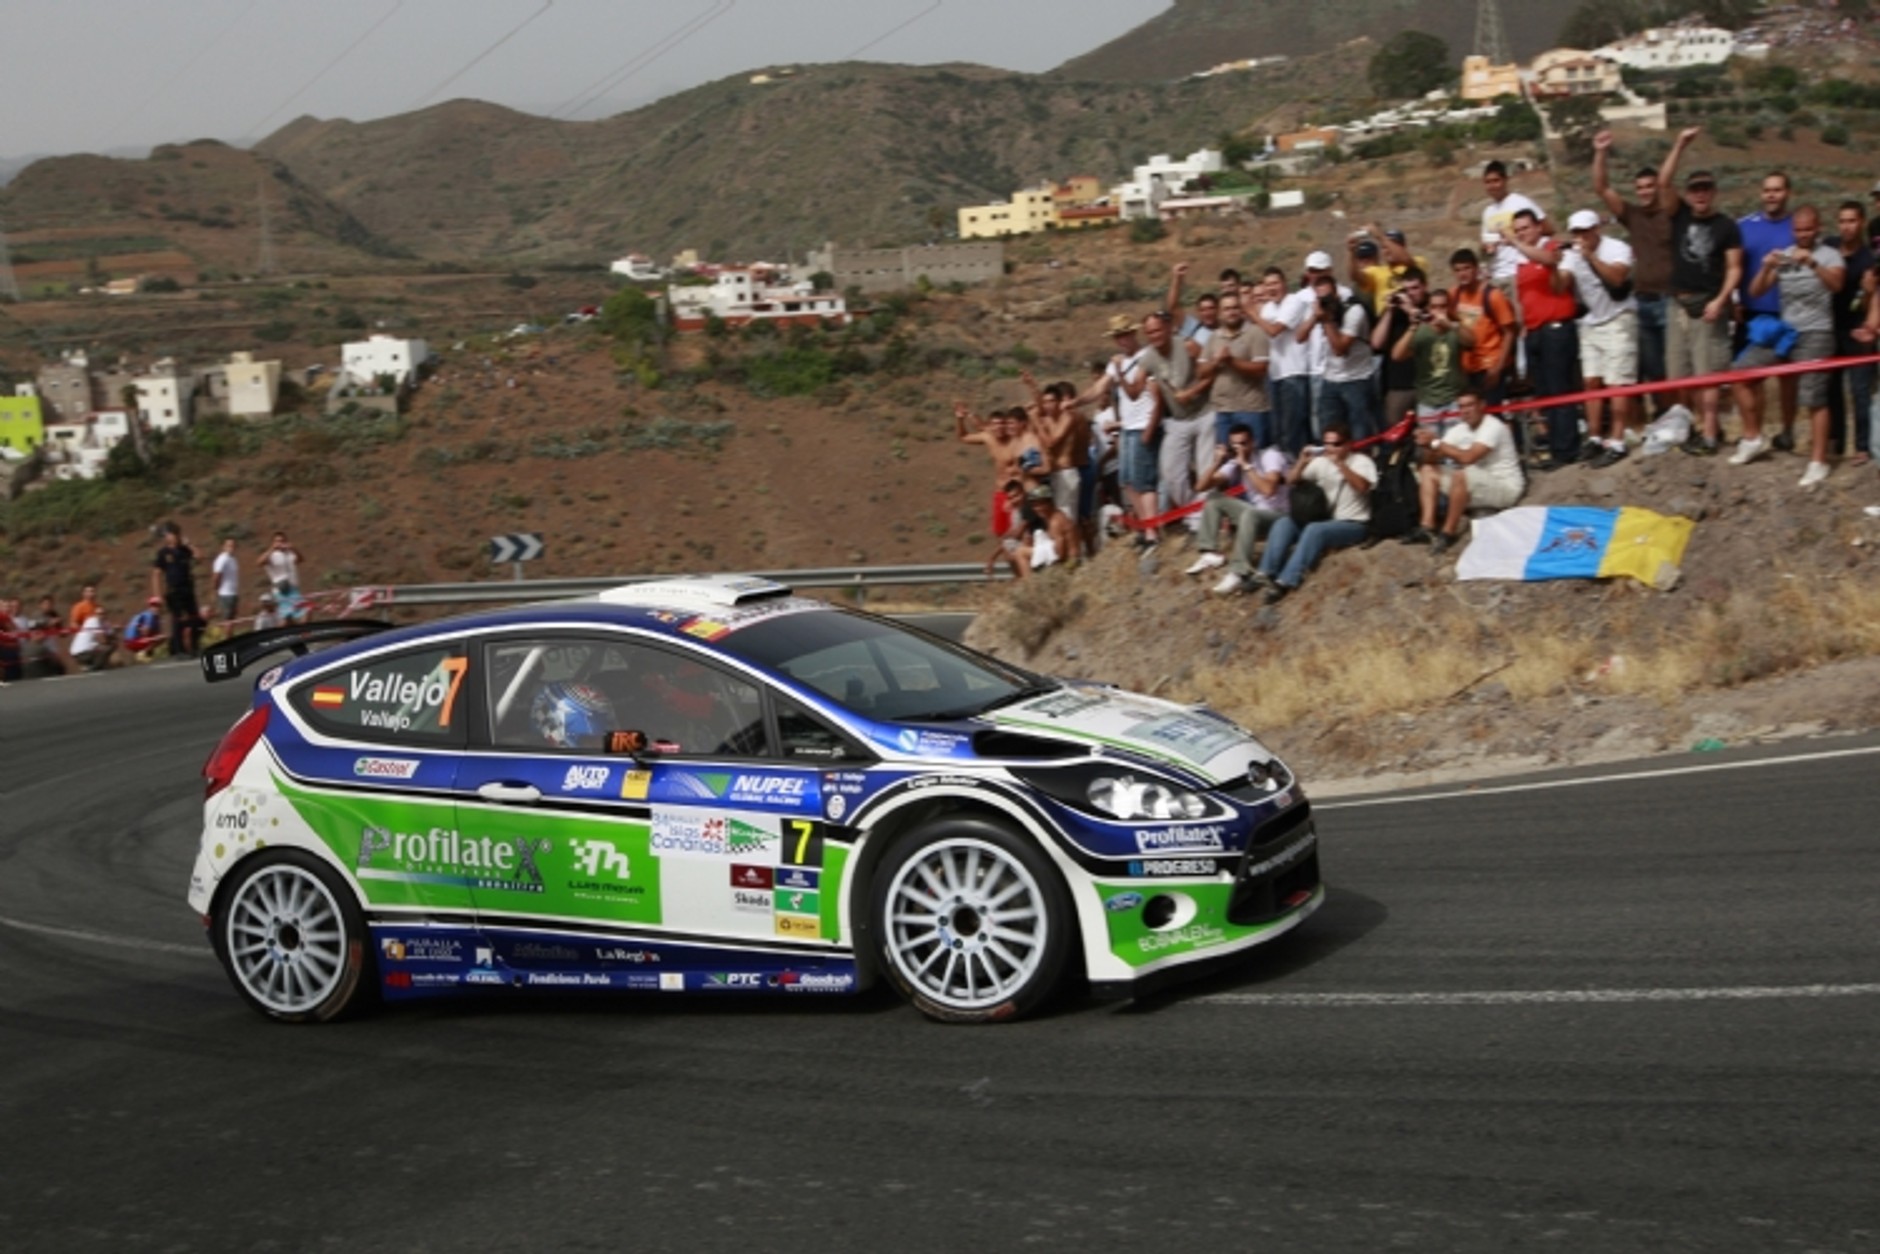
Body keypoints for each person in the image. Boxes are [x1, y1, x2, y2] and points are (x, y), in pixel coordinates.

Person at [1733, 205, 1843, 486]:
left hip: (1816, 332)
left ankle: (1818, 461)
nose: (1802, 235)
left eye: (1808, 229)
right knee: (1740, 373)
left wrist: (1813, 264)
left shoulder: (1829, 254)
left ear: (1818, 228)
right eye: (1798, 230)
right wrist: (1767, 266)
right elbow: (1756, 291)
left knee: (1814, 397)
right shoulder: (1786, 254)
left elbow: (1837, 285)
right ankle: (1753, 437)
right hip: (1786, 330)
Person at [1657, 129, 1743, 456]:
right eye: (1695, 189)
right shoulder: (1679, 214)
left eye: (1706, 188)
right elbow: (1663, 183)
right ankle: (1693, 428)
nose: (1700, 194)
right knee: (1680, 371)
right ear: (1689, 193)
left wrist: (1721, 301)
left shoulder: (1726, 226)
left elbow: (1734, 267)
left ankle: (1709, 434)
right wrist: (1679, 144)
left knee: (1708, 372)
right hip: (1678, 302)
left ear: (1714, 192)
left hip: (1709, 303)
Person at [1253, 421, 1376, 605]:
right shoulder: (1321, 462)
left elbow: (1363, 487)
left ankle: (1286, 580)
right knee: (1284, 523)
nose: (1331, 449)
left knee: (1315, 530)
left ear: (1348, 444)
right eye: (1327, 444)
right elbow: (1291, 481)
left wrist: (1341, 465)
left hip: (1354, 523)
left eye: (1337, 444)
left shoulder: (1362, 462)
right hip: (1327, 519)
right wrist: (1302, 462)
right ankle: (1265, 572)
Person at [1593, 130, 1672, 399]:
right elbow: (1602, 188)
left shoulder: (1672, 214)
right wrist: (1601, 152)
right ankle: (1664, 417)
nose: (1645, 191)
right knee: (1653, 371)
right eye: (1640, 187)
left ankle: (1686, 419)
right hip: (1644, 302)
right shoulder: (1633, 215)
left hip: (1671, 301)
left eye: (1650, 186)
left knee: (1676, 369)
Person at [1507, 208, 1584, 469]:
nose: (1521, 234)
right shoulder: (1521, 261)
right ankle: (1554, 444)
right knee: (1544, 391)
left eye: (1525, 228)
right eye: (1517, 230)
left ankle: (1566, 449)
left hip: (1556, 328)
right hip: (1534, 331)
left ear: (1538, 227)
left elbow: (1555, 268)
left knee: (1560, 388)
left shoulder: (1554, 248)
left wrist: (1514, 242)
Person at [1561, 209, 1639, 467]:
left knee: (1617, 382)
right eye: (1576, 232)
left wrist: (1590, 257)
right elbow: (1561, 282)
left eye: (1585, 231)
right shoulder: (1571, 255)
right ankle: (1594, 437)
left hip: (1619, 317)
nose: (1581, 236)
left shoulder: (1617, 248)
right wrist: (1552, 264)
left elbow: (1617, 278)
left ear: (1596, 229)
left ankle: (1617, 440)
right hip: (1592, 320)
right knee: (1591, 381)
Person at [1405, 391, 1525, 554]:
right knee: (1428, 470)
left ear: (1482, 405)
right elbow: (1434, 456)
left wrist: (1436, 442)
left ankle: (1448, 532)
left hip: (1505, 487)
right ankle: (1427, 527)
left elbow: (1468, 457)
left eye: (1470, 405)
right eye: (1461, 407)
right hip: (1477, 483)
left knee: (1462, 473)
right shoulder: (1459, 429)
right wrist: (1426, 444)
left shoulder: (1493, 426)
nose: (1465, 411)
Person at [1184, 422, 1290, 595]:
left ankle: (1239, 571)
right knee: (1214, 498)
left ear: (1253, 442)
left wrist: (1247, 466)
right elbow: (1200, 487)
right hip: (1256, 514)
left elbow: (1268, 490)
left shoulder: (1270, 456)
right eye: (1235, 445)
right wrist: (1217, 462)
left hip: (1281, 516)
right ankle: (1209, 552)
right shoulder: (1236, 463)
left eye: (1243, 443)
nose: (1240, 448)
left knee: (1250, 513)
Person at [1738, 170, 1801, 452]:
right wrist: (1735, 300)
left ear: (1787, 193)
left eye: (1777, 190)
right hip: (1753, 313)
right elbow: (1734, 266)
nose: (1771, 195)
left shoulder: (1799, 226)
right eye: (1767, 190)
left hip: (1789, 314)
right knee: (1750, 377)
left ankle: (1787, 432)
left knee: (1788, 378)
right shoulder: (1744, 226)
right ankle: (1754, 435)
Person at [1138, 312, 1206, 527]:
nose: (1154, 335)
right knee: (1170, 473)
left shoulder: (1187, 345)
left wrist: (1192, 392)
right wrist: (1121, 375)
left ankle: (1207, 517)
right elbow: (1134, 390)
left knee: (1206, 469)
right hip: (1178, 419)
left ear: (1167, 328)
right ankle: (1196, 513)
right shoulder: (1148, 357)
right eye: (1149, 332)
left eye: (1158, 330)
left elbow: (1211, 373)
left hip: (1205, 412)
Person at [1827, 200, 1876, 466]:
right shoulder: (1829, 247)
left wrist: (1868, 293)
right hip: (1830, 328)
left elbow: (1869, 302)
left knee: (1860, 390)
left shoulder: (1869, 259)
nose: (1847, 227)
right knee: (1831, 389)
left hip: (1858, 330)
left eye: (1852, 221)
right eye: (1842, 221)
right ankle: (1836, 442)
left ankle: (1862, 447)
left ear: (1862, 223)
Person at [1196, 288, 1271, 450]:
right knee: (1225, 458)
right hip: (1222, 409)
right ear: (1220, 313)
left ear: (1241, 310)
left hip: (1250, 409)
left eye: (1235, 308)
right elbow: (1201, 371)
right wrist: (1216, 361)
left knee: (1252, 456)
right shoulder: (1214, 337)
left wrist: (1231, 361)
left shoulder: (1255, 332)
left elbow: (1261, 369)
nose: (1231, 312)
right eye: (1227, 309)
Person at [1391, 284, 1473, 430]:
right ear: (1429, 309)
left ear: (1449, 308)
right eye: (1434, 307)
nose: (1439, 311)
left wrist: (1450, 324)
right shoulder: (1421, 332)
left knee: (1455, 441)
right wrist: (1412, 327)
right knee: (1430, 443)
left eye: (1443, 307)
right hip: (1427, 402)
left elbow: (1471, 341)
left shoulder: (1455, 328)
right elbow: (1397, 356)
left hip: (1453, 399)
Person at [1305, 273, 1377, 439]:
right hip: (1330, 379)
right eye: (1321, 298)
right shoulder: (1321, 311)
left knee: (1359, 435)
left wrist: (1326, 320)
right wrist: (1315, 316)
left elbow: (1340, 349)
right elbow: (1299, 337)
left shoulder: (1354, 310)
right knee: (1329, 433)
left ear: (1336, 293)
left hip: (1357, 379)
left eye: (1328, 297)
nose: (1325, 301)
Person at [1451, 249, 1519, 411]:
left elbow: (1509, 332)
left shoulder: (1493, 295)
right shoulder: (1454, 295)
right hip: (1468, 367)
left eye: (1466, 268)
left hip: (1490, 365)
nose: (1463, 274)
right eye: (1458, 270)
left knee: (1492, 414)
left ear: (1476, 269)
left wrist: (1498, 367)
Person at [1371, 268, 1429, 433]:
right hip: (1398, 384)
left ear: (1425, 287)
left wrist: (1411, 311)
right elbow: (1376, 343)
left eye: (1415, 288)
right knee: (1395, 433)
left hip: (1426, 385)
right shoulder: (1395, 311)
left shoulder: (1432, 305)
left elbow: (1431, 331)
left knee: (1426, 433)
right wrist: (1389, 311)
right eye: (1406, 289)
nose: (1410, 293)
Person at [1481, 160, 1545, 292]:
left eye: (1496, 180)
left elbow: (1546, 228)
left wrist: (1517, 239)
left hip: (1518, 271)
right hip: (1496, 276)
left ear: (1505, 180)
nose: (1492, 186)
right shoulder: (1487, 212)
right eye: (1488, 182)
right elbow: (1485, 245)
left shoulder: (1520, 202)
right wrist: (1486, 248)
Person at [151, 522, 203, 658]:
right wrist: (158, 595)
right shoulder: (163, 553)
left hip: (187, 588)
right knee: (178, 620)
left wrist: (189, 544)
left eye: (177, 534)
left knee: (195, 619)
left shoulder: (184, 550)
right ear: (167, 537)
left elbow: (199, 557)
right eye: (172, 534)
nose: (175, 537)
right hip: (174, 591)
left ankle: (194, 647)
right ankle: (179, 650)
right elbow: (157, 574)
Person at [69, 601, 115, 671]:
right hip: (81, 652)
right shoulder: (93, 621)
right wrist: (110, 639)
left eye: (103, 614)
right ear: (95, 614)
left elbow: (112, 635)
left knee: (109, 646)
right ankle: (94, 667)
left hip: (89, 650)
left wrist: (112, 634)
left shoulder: (105, 623)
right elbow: (102, 640)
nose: (101, 616)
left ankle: (100, 665)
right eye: (98, 614)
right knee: (106, 648)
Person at [259, 531, 303, 603]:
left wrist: (294, 549)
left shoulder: (290, 554)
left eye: (283, 541)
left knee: (301, 608)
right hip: (280, 590)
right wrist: (272, 549)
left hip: (293, 587)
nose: (281, 543)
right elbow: (260, 562)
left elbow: (300, 560)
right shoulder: (272, 555)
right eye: (278, 541)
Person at [212, 538, 241, 624]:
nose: (231, 548)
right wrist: (215, 589)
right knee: (227, 621)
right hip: (225, 594)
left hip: (233, 593)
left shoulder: (233, 559)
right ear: (224, 547)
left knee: (232, 620)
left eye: (233, 546)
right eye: (229, 546)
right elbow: (217, 575)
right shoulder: (222, 559)